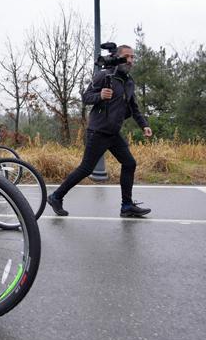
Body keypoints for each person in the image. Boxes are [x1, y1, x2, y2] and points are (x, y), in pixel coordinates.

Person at [47, 45, 153, 218]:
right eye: (127, 56)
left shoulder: (128, 81)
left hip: (113, 133)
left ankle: (126, 206)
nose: (131, 60)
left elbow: (134, 107)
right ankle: (56, 196)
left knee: (129, 163)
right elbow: (86, 97)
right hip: (98, 132)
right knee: (86, 169)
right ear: (118, 57)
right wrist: (100, 96)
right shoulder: (104, 75)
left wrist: (144, 125)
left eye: (133, 57)